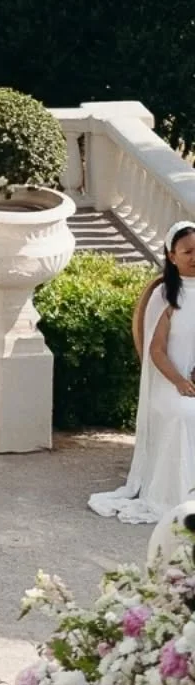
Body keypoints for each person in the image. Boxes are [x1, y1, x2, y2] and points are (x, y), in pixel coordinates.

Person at [90, 220, 195, 524]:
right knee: (184, 414)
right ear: (172, 256)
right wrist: (179, 381)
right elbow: (156, 350)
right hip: (169, 380)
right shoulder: (166, 295)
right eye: (188, 251)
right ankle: (178, 495)